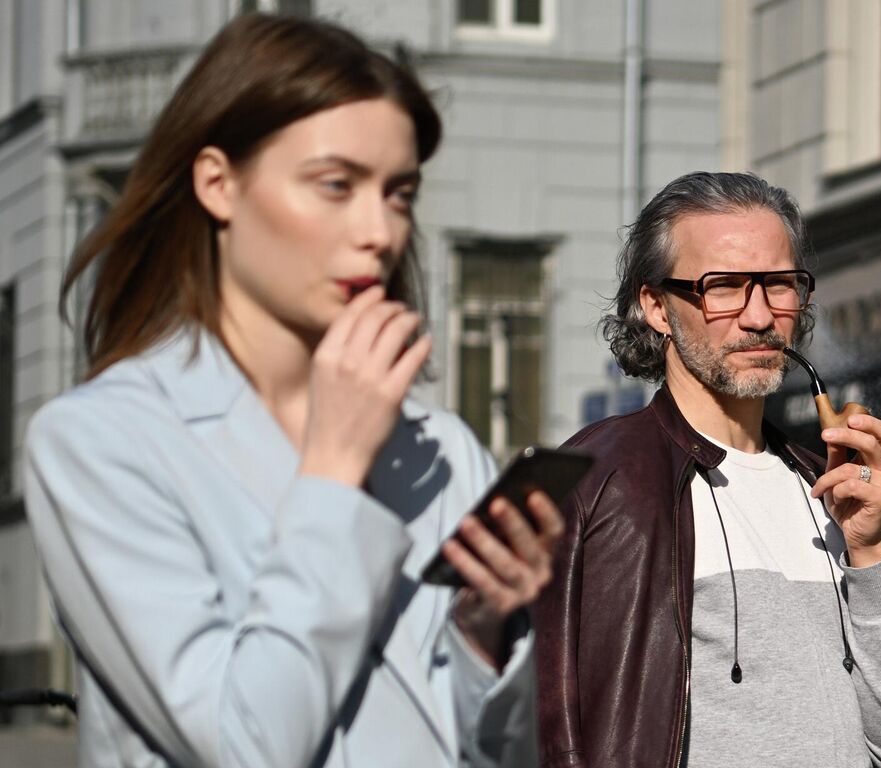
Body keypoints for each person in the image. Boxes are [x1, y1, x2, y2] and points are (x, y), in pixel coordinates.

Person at [23, 14, 554, 766]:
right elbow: (244, 748)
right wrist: (334, 475)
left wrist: (482, 636)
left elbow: (499, 754)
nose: (379, 230)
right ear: (219, 184)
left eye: (398, 193)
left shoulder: (439, 447)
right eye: (335, 185)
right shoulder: (99, 443)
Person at [532, 172, 881, 767]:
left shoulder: (827, 490)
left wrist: (868, 553)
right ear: (656, 306)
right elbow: (540, 726)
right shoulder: (599, 483)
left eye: (779, 285)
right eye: (725, 287)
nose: (760, 315)